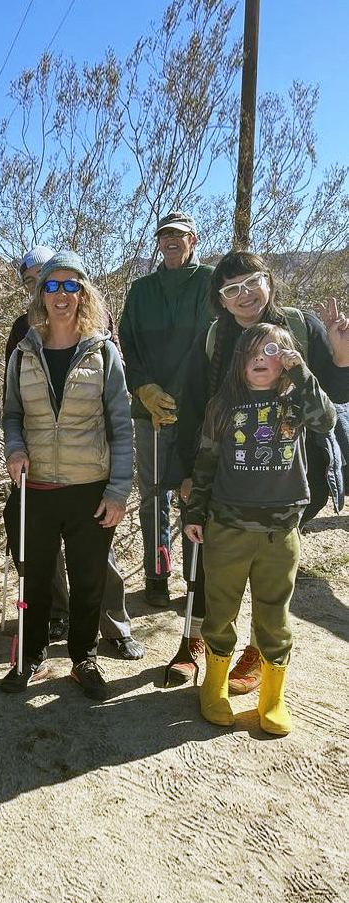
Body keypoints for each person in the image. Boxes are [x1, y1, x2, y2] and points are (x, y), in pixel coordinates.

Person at [177, 251, 349, 692]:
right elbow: (194, 407)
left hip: (289, 478)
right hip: (228, 481)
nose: (243, 295)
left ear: (269, 281)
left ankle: (257, 650)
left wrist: (343, 356)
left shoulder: (302, 328)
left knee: (272, 573)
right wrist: (188, 472)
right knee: (218, 562)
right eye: (231, 289)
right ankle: (199, 640)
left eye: (251, 282)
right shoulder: (214, 339)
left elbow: (332, 400)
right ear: (221, 300)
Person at [184, 324, 336, 735]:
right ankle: (213, 686)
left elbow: (327, 419)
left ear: (286, 361)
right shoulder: (223, 405)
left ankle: (273, 696)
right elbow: (206, 463)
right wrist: (194, 513)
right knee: (221, 609)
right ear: (239, 361)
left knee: (274, 613)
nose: (260, 358)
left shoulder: (297, 401)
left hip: (280, 531)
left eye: (271, 352)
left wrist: (301, 372)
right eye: (251, 352)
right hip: (228, 527)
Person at [0, 251, 133, 701]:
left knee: (88, 577)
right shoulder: (24, 351)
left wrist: (118, 491)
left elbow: (122, 426)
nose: (61, 295)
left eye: (70, 285)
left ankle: (83, 657)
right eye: (52, 286)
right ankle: (31, 655)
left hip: (88, 488)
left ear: (83, 292)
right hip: (35, 488)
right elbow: (12, 414)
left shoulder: (103, 353)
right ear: (41, 295)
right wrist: (14, 448)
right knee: (34, 576)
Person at [119, 212, 214, 615]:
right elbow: (128, 343)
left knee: (195, 490)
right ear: (158, 243)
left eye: (178, 234)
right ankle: (156, 576)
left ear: (193, 239)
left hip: (197, 410)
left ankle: (195, 581)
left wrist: (178, 397)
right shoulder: (140, 291)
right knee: (154, 494)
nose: (171, 240)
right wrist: (143, 387)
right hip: (148, 412)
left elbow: (208, 341)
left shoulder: (209, 281)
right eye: (164, 235)